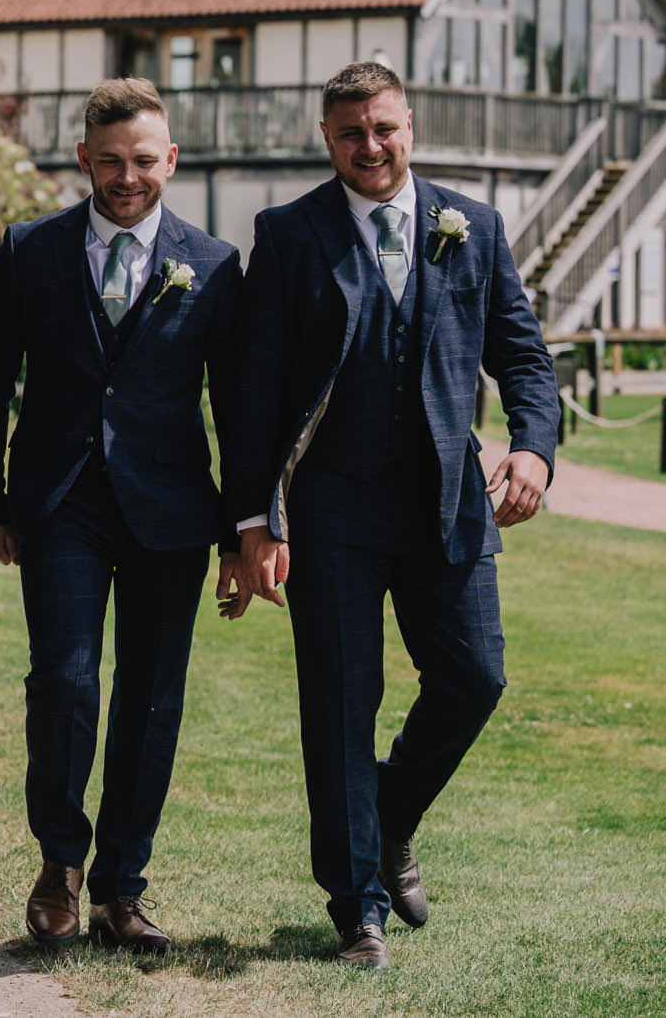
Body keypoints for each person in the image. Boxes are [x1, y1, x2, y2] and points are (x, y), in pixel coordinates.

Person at [227, 61, 557, 969]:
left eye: (383, 129)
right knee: (341, 704)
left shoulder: (474, 226)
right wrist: (255, 519)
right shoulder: (288, 234)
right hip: (329, 510)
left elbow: (523, 354)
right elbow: (254, 390)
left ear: (410, 125)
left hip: (447, 502)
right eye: (349, 134)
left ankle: (386, 813)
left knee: (475, 678)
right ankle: (357, 907)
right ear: (326, 138)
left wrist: (532, 445)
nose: (369, 148)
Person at [0, 78, 242, 953]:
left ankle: (123, 885)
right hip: (62, 505)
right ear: (84, 158)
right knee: (66, 682)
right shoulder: (30, 249)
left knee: (152, 700)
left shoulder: (215, 263)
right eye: (110, 160)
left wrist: (245, 531)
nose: (128, 177)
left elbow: (239, 408)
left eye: (144, 160)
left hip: (171, 510)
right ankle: (59, 858)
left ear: (171, 159)